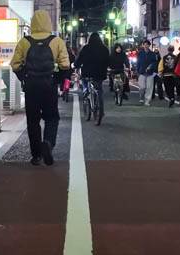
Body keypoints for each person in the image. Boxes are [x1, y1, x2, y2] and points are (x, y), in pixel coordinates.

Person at [10, 10, 71, 165]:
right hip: (49, 86)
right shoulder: (56, 41)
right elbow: (65, 65)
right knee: (51, 118)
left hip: (31, 87)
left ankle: (36, 155)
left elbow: (15, 65)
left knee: (33, 121)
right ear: (48, 23)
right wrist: (56, 79)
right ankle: (48, 143)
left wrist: (24, 77)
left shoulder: (24, 42)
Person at [74, 32, 109, 124]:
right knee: (99, 89)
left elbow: (78, 60)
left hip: (87, 72)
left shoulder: (85, 48)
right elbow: (108, 61)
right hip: (100, 73)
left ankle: (85, 90)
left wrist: (76, 65)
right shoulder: (104, 49)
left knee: (83, 80)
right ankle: (101, 109)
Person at [134, 40, 158, 105]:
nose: (145, 46)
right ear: (143, 45)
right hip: (141, 72)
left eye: (147, 44)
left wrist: (152, 67)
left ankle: (147, 101)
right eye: (144, 44)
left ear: (149, 45)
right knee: (142, 87)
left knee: (149, 87)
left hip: (150, 73)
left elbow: (155, 62)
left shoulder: (152, 54)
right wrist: (136, 70)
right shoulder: (140, 53)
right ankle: (141, 97)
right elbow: (138, 62)